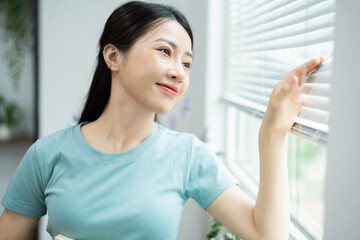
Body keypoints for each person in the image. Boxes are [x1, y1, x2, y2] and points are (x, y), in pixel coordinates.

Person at [0, 1, 323, 240]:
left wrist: (272, 135)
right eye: (165, 52)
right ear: (113, 56)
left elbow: (268, 237)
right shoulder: (46, 155)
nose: (178, 72)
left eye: (187, 63)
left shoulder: (187, 155)